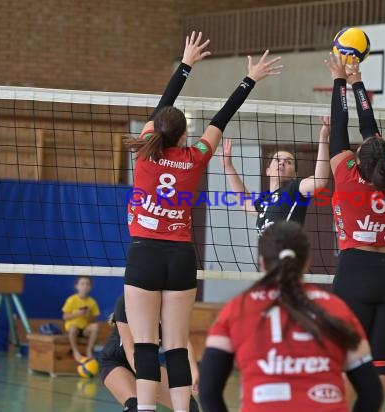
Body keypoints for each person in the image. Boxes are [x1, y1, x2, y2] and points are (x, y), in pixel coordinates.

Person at [123, 28, 282, 412]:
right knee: (176, 344)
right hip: (180, 257)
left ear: (157, 130)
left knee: (145, 343)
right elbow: (222, 117)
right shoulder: (195, 158)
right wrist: (250, 79)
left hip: (144, 254)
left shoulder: (144, 154)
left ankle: (145, 409)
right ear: (183, 135)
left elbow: (162, 107)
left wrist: (185, 65)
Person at [199, 221, 383, 412]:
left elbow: (208, 392)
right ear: (306, 262)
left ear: (261, 262)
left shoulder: (237, 309)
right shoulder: (337, 308)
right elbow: (371, 394)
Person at [324, 53, 385, 400]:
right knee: (378, 363)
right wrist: (355, 81)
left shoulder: (346, 173)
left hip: (356, 272)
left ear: (359, 159)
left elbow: (340, 126)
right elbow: (368, 125)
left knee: (346, 360)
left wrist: (340, 81)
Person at [216, 116, 331, 235]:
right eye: (277, 159)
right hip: (268, 253)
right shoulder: (265, 199)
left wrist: (323, 137)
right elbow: (244, 202)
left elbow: (320, 180)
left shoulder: (295, 189)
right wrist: (228, 166)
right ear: (268, 171)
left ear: (295, 174)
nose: (282, 162)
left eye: (289, 162)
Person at [100, 295, 200, 412]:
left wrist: (193, 371)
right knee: (136, 407)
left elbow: (182, 342)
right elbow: (130, 349)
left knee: (189, 407)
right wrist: (147, 381)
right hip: (115, 362)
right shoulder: (128, 301)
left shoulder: (169, 304)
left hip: (147, 364)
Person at [61, 275, 100, 362]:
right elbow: (65, 316)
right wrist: (77, 314)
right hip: (73, 329)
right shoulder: (71, 300)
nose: (85, 286)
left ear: (91, 287)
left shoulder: (92, 302)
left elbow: (94, 320)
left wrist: (88, 315)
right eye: (82, 284)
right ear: (76, 286)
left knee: (95, 326)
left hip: (85, 329)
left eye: (87, 284)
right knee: (73, 328)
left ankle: (89, 350)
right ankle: (75, 352)